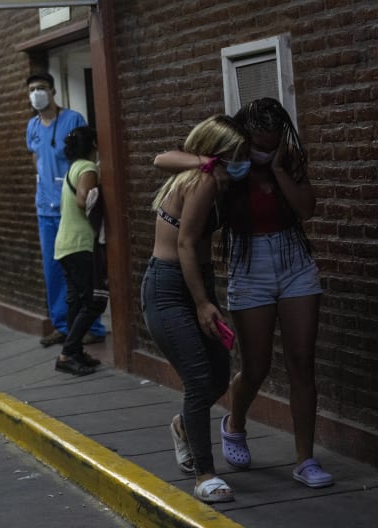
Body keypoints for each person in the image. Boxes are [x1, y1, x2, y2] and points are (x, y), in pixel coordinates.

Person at [155, 98, 333, 489]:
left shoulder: (287, 162)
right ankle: (235, 424)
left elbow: (307, 208)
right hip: (249, 265)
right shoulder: (226, 169)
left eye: (273, 143)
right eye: (259, 145)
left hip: (294, 261)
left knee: (302, 362)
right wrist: (205, 163)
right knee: (257, 365)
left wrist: (278, 168)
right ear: (243, 139)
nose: (264, 151)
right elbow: (164, 159)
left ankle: (305, 460)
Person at [143, 115, 250, 503]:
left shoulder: (211, 180)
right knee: (199, 377)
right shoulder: (202, 180)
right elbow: (186, 244)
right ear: (219, 155)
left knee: (219, 373)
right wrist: (204, 303)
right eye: (238, 155)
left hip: (196, 281)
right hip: (171, 288)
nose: (245, 162)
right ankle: (205, 474)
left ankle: (185, 426)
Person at [25, 72, 106, 348]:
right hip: (44, 209)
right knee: (53, 270)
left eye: (42, 88)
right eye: (33, 89)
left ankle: (91, 327)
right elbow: (36, 161)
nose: (37, 93)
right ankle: (63, 325)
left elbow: (84, 154)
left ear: (53, 91)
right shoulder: (32, 126)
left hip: (70, 207)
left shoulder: (72, 120)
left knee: (81, 269)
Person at [53, 127, 108, 376]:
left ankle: (73, 353)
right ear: (95, 143)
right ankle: (67, 353)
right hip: (80, 244)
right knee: (94, 301)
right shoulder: (87, 168)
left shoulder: (72, 168)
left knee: (76, 301)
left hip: (65, 245)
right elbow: (83, 200)